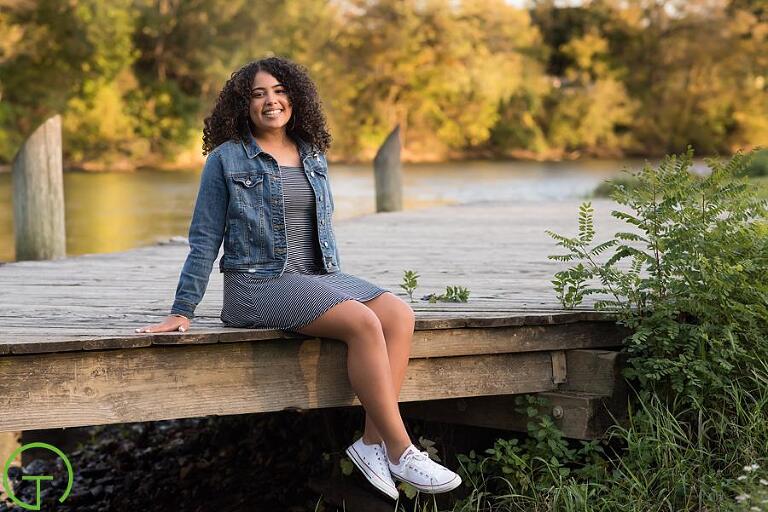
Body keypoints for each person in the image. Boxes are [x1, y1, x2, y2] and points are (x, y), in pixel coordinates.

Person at [135, 56, 461, 500]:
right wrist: (182, 309)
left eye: (279, 90)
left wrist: (337, 287)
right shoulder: (227, 159)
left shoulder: (312, 153)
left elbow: (319, 231)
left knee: (397, 314)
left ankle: (369, 444)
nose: (271, 100)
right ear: (243, 105)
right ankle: (401, 449)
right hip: (257, 286)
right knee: (363, 323)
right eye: (257, 94)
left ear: (294, 97)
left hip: (317, 276)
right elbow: (205, 237)